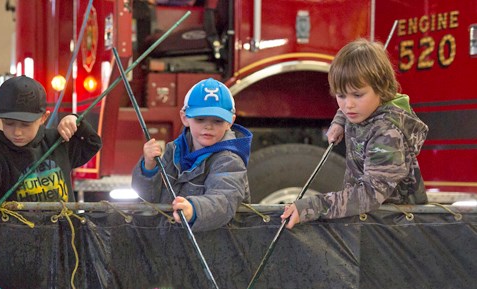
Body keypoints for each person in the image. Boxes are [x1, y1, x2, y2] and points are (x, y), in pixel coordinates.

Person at [281, 39, 428, 229]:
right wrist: (339, 122)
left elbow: (369, 195)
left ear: (382, 89)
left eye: (357, 95)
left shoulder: (387, 134)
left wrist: (312, 207)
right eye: (341, 96)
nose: (348, 105)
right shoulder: (361, 110)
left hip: (396, 230)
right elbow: (345, 110)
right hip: (371, 223)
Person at [0, 76, 102, 252]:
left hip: (62, 245)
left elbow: (92, 144)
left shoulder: (58, 143)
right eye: (9, 123)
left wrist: (76, 121)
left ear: (44, 117)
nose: (17, 132)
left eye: (25, 124)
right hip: (14, 248)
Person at [131, 78, 252, 232]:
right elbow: (146, 199)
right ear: (184, 117)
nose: (208, 126)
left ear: (230, 122)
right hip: (168, 244)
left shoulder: (230, 160)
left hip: (212, 250)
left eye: (217, 120)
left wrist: (194, 210)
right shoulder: (173, 149)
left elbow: (224, 200)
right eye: (200, 119)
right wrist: (149, 167)